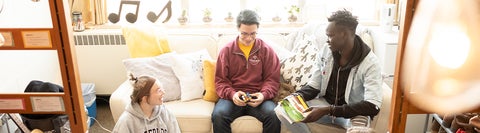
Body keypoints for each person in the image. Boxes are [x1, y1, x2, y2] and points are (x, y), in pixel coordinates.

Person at [276, 9, 383, 132]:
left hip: (352, 112)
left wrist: (329, 110)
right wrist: (296, 96)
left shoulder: (370, 63)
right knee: (282, 109)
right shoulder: (326, 51)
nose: (327, 40)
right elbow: (314, 86)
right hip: (324, 105)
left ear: (344, 34)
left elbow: (373, 106)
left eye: (330, 36)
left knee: (359, 131)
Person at [212, 9, 281, 133]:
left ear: (257, 30)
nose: (249, 38)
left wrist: (263, 95)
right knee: (219, 115)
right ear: (238, 29)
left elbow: (272, 79)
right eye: (244, 33)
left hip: (258, 96)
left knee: (274, 114)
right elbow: (220, 81)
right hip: (232, 97)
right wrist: (232, 94)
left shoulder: (267, 51)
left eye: (253, 34)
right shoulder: (226, 51)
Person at [113, 74, 180, 133]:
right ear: (144, 98)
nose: (163, 92)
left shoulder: (165, 113)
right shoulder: (126, 121)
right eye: (159, 90)